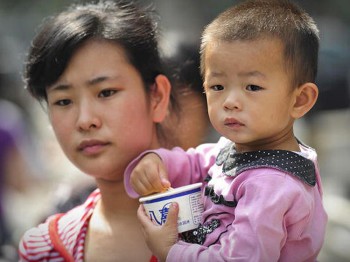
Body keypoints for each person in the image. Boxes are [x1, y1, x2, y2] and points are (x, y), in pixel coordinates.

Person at [124, 0, 328, 261]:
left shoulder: (272, 185)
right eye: (218, 87)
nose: (230, 101)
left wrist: (170, 252)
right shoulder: (236, 151)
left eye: (252, 87)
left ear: (299, 100)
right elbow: (197, 162)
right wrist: (157, 163)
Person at [18, 1, 177, 261]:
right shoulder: (44, 248)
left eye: (106, 92)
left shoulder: (229, 216)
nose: (85, 120)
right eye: (63, 101)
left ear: (157, 97)